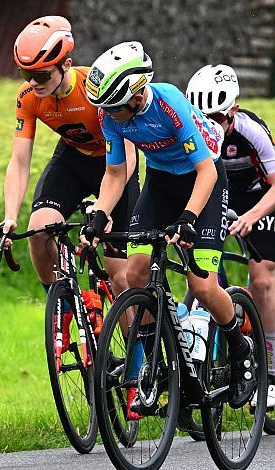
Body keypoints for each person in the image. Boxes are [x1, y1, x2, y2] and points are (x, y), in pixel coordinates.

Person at [81, 41, 257, 415]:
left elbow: (207, 171)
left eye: (115, 106)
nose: (110, 115)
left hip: (203, 183)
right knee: (135, 273)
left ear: (136, 92)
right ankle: (157, 361)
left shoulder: (169, 103)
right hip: (160, 183)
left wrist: (190, 218)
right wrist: (99, 213)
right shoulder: (111, 115)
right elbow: (115, 172)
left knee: (203, 285)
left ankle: (241, 348)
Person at [0, 16, 139, 327]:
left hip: (115, 166)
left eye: (41, 74)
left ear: (66, 64)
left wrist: (104, 209)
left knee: (121, 276)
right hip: (72, 160)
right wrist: (9, 217)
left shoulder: (96, 92)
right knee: (39, 230)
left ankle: (136, 364)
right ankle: (63, 306)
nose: (33, 82)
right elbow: (19, 161)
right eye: (25, 73)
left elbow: (127, 156)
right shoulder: (28, 97)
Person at [187, 64, 275, 406]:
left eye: (217, 119)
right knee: (201, 279)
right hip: (216, 193)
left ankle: (270, 370)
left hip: (259, 198)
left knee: (263, 277)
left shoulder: (251, 131)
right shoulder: (191, 131)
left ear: (233, 112)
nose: (210, 126)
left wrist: (252, 216)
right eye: (202, 117)